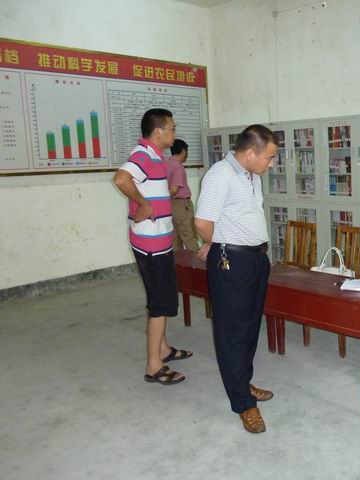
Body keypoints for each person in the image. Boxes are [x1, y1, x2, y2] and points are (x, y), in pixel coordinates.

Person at [194, 124, 277, 434]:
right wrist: (217, 243)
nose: (272, 164)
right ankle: (243, 403)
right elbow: (202, 221)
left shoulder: (252, 175)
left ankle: (242, 381)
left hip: (256, 259)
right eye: (269, 157)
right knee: (232, 331)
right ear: (250, 153)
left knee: (251, 325)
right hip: (232, 262)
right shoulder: (220, 175)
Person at [113, 108, 192, 386]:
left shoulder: (157, 157)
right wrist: (144, 204)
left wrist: (146, 202)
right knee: (160, 303)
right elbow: (121, 178)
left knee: (160, 298)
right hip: (150, 244)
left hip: (159, 241)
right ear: (158, 131)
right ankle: (154, 366)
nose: (174, 132)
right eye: (172, 128)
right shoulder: (143, 154)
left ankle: (163, 349)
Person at [166, 139, 199, 251]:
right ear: (184, 151)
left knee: (175, 238)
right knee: (189, 236)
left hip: (171, 205)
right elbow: (174, 189)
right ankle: (197, 261)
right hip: (181, 206)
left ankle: (177, 262)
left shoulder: (166, 163)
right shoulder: (178, 167)